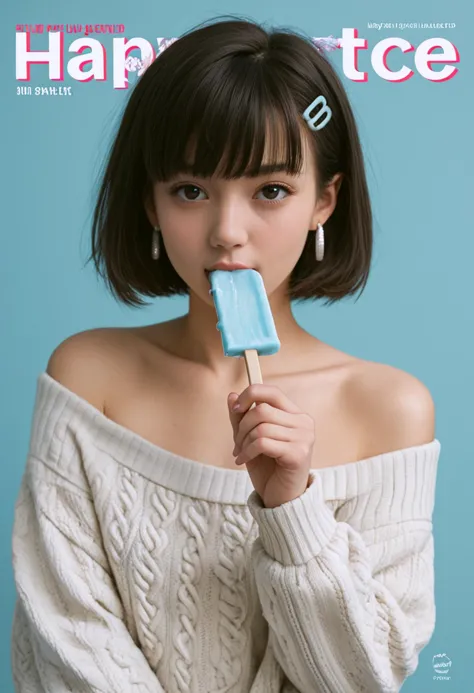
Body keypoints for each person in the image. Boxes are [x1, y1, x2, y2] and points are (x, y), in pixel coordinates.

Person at [11, 15, 440, 693]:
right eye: (190, 190)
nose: (227, 233)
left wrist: (292, 507)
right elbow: (64, 640)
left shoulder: (389, 408)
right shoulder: (87, 379)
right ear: (151, 205)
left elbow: (363, 676)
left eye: (270, 190)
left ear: (323, 200)